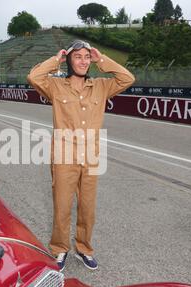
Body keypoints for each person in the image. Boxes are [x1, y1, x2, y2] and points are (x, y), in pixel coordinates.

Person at [27, 40, 135, 271]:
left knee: (87, 208)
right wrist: (56, 59)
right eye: (78, 56)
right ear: (69, 60)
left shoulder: (101, 86)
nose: (84, 61)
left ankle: (84, 248)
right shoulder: (55, 86)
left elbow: (128, 78)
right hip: (64, 156)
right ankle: (59, 249)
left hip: (91, 157)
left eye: (87, 56)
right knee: (62, 206)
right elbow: (34, 77)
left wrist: (102, 59)